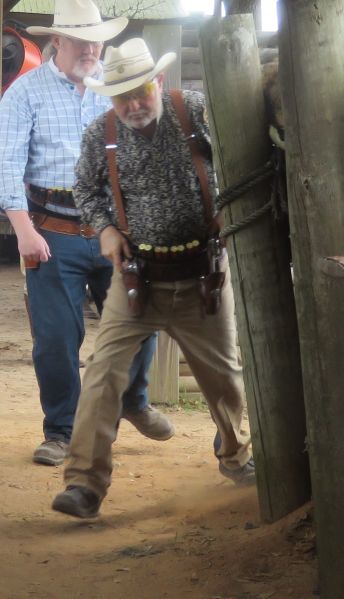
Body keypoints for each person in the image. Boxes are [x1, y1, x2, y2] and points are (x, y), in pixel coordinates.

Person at [51, 37, 255, 518]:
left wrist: (227, 210)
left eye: (141, 92)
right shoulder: (101, 133)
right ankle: (84, 484)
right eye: (122, 97)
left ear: (159, 81)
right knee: (102, 375)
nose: (133, 105)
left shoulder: (197, 113)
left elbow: (241, 160)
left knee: (224, 377)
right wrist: (104, 228)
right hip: (135, 279)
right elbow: (85, 188)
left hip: (202, 277)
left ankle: (236, 457)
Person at [0, 0, 174, 467]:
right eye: (81, 41)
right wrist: (23, 230)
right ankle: (61, 431)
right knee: (56, 338)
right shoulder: (24, 93)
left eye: (97, 41)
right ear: (58, 41)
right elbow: (7, 163)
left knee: (140, 317)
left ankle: (132, 400)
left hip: (116, 226)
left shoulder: (115, 90)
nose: (91, 50)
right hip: (51, 231)